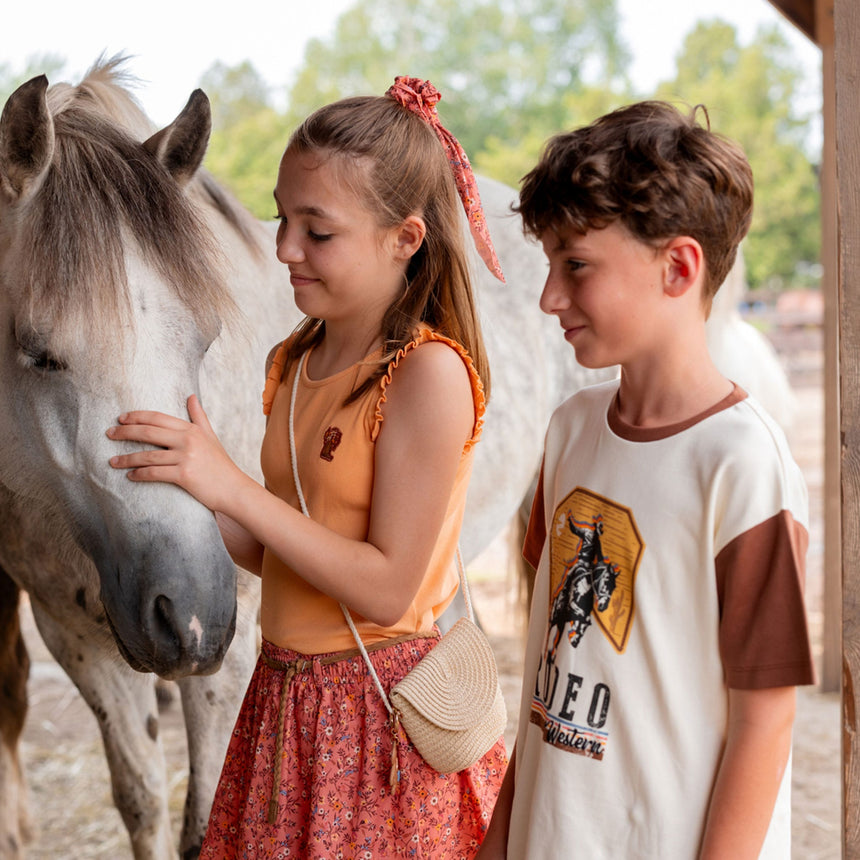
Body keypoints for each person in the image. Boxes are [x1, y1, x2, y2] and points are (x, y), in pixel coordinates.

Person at [108, 76, 507, 857]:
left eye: (316, 231)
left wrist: (231, 486)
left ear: (405, 238)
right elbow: (280, 555)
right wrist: (191, 484)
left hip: (380, 717)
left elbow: (387, 587)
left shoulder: (427, 375)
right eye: (282, 219)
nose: (285, 248)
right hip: (284, 702)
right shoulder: (294, 362)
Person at [477, 101, 815, 859]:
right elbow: (548, 673)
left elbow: (766, 720)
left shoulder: (743, 464)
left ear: (678, 268)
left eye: (576, 265)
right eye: (549, 265)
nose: (548, 297)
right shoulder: (569, 430)